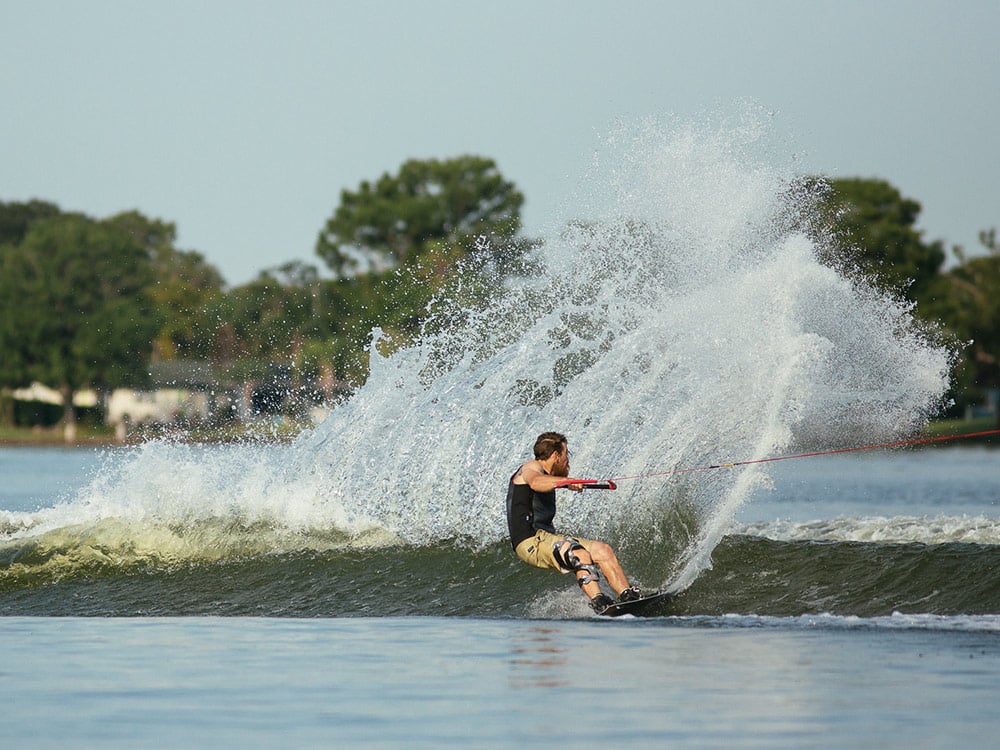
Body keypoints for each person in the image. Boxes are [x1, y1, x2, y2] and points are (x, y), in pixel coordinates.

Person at [506, 431, 641, 612]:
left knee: (603, 550)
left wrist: (563, 482)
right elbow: (536, 482)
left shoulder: (546, 474)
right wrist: (565, 481)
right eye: (565, 454)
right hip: (530, 541)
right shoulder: (531, 467)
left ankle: (629, 597)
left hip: (545, 537)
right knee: (578, 553)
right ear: (556, 455)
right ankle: (601, 604)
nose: (567, 460)